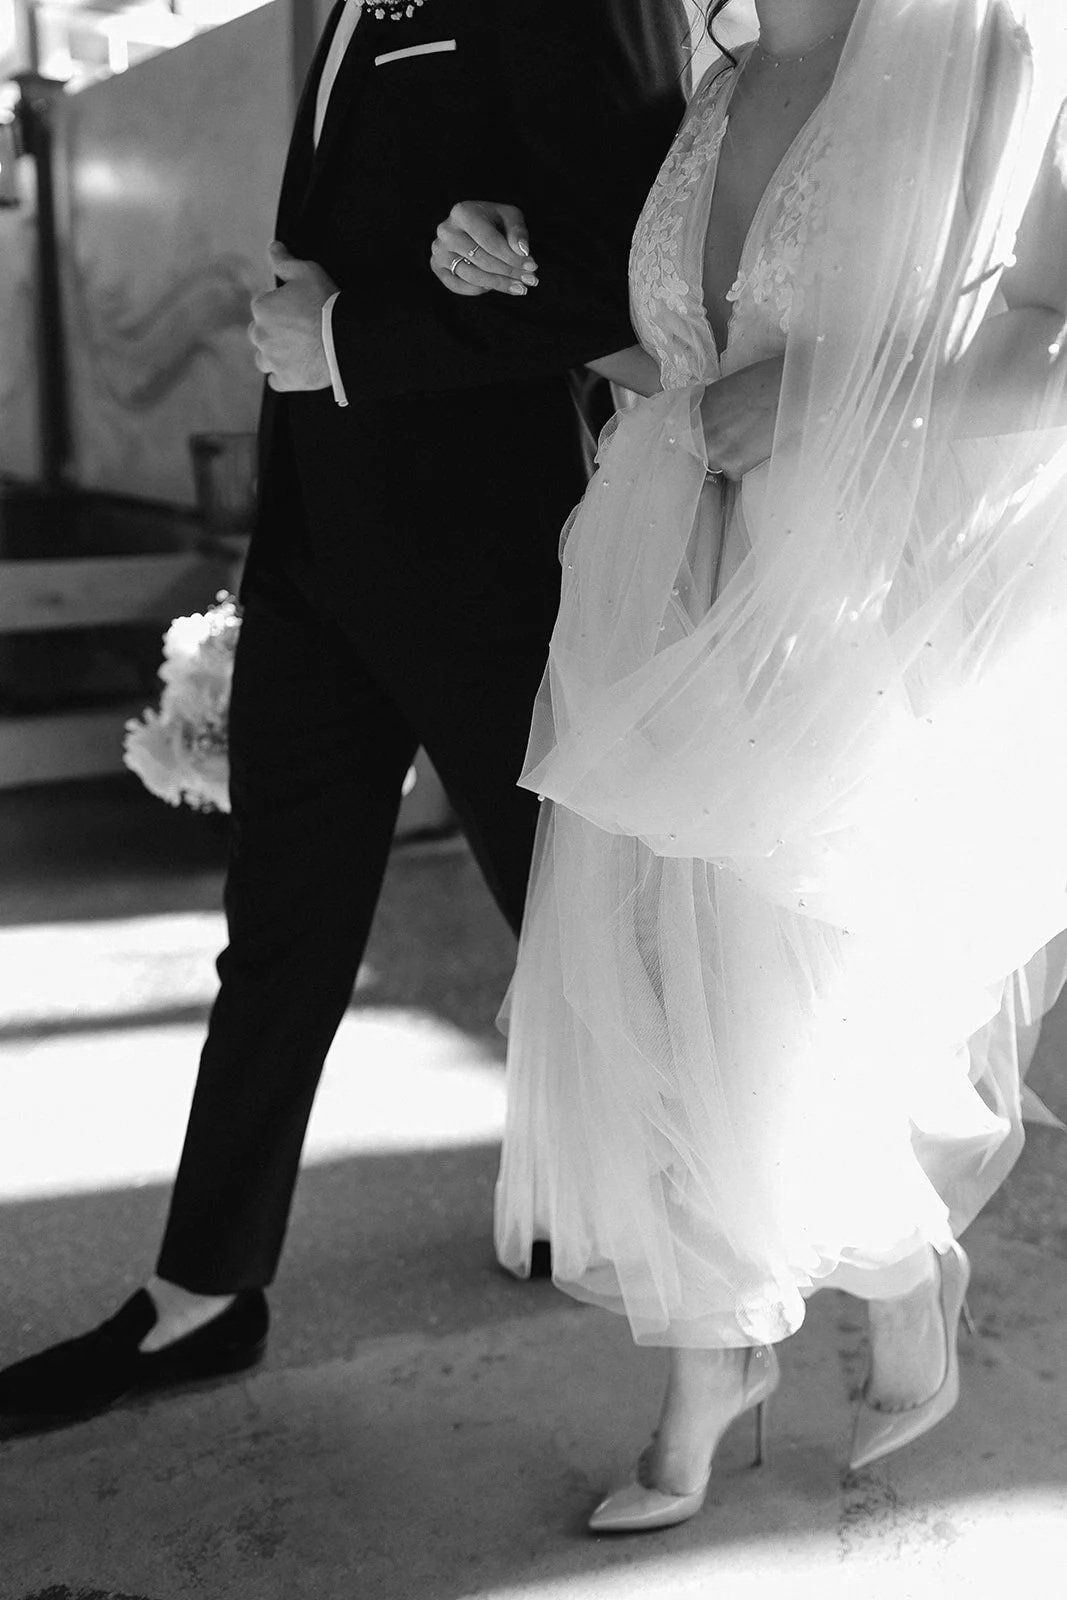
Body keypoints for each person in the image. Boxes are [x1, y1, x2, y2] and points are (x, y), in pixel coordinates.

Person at [0, 0, 689, 1434]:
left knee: (574, 927)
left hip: (492, 570)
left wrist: (354, 341)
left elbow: (644, 271)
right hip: (316, 546)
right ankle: (202, 1289)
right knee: (279, 930)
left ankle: (725, 1253)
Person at [452, 0, 1067, 1532]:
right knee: (658, 982)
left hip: (840, 603)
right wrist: (492, 246)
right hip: (657, 584)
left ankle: (899, 1259)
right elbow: (667, 341)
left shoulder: (982, 60)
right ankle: (713, 1360)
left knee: (793, 1000)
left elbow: (1050, 345)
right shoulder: (716, 78)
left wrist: (823, 400)